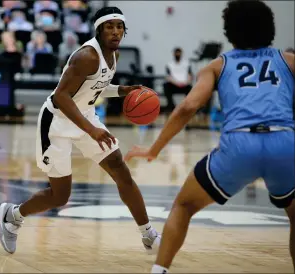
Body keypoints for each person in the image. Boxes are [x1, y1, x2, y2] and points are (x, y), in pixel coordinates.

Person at [124, 0, 295, 272]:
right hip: (286, 143)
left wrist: (153, 149)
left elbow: (188, 107)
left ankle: (159, 271)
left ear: (229, 30)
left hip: (240, 146)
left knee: (183, 205)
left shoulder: (217, 66)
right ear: (270, 28)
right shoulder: (288, 61)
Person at [0, 6, 160, 255]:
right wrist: (92, 131)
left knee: (120, 170)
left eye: (119, 27)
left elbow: (95, 87)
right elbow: (62, 96)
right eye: (110, 26)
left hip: (84, 116)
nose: (116, 32)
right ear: (99, 29)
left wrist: (121, 90)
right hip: (57, 122)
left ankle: (148, 233)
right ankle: (12, 216)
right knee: (59, 196)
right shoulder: (87, 56)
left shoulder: (112, 55)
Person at [163, 47, 193, 112]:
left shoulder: (186, 64)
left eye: (179, 52)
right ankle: (171, 106)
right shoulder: (169, 64)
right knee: (165, 85)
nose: (177, 54)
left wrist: (186, 82)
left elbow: (190, 75)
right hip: (174, 85)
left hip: (185, 85)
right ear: (173, 54)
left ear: (181, 53)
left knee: (191, 88)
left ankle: (187, 106)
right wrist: (176, 83)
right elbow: (168, 77)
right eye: (176, 53)